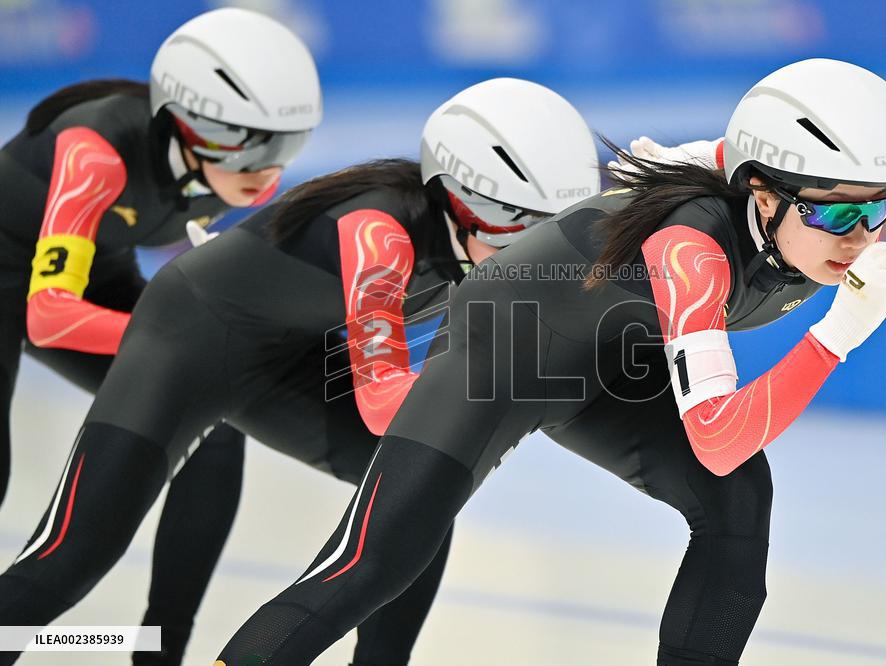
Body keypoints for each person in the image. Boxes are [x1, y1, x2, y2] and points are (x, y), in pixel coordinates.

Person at [216, 58, 886, 665]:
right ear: (762, 197)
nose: (856, 237)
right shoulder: (692, 250)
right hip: (505, 351)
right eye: (833, 214)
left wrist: (702, 158)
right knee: (370, 565)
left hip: (613, 368)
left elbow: (725, 155)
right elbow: (714, 436)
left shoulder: (772, 203)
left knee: (741, 505)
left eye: (877, 212)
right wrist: (837, 336)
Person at [0, 78, 602, 666]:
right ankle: (127, 649)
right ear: (456, 196)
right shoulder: (380, 233)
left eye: (546, 232)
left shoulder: (480, 248)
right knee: (68, 563)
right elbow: (382, 401)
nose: (529, 253)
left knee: (417, 495)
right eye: (514, 224)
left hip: (283, 360)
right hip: (185, 345)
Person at [0, 8, 321, 664]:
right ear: (186, 124)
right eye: (250, 145)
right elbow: (50, 314)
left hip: (97, 269)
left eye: (285, 146)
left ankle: (158, 650)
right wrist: (173, 343)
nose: (267, 172)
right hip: (18, 279)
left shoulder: (229, 170)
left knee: (213, 422)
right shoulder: (94, 151)